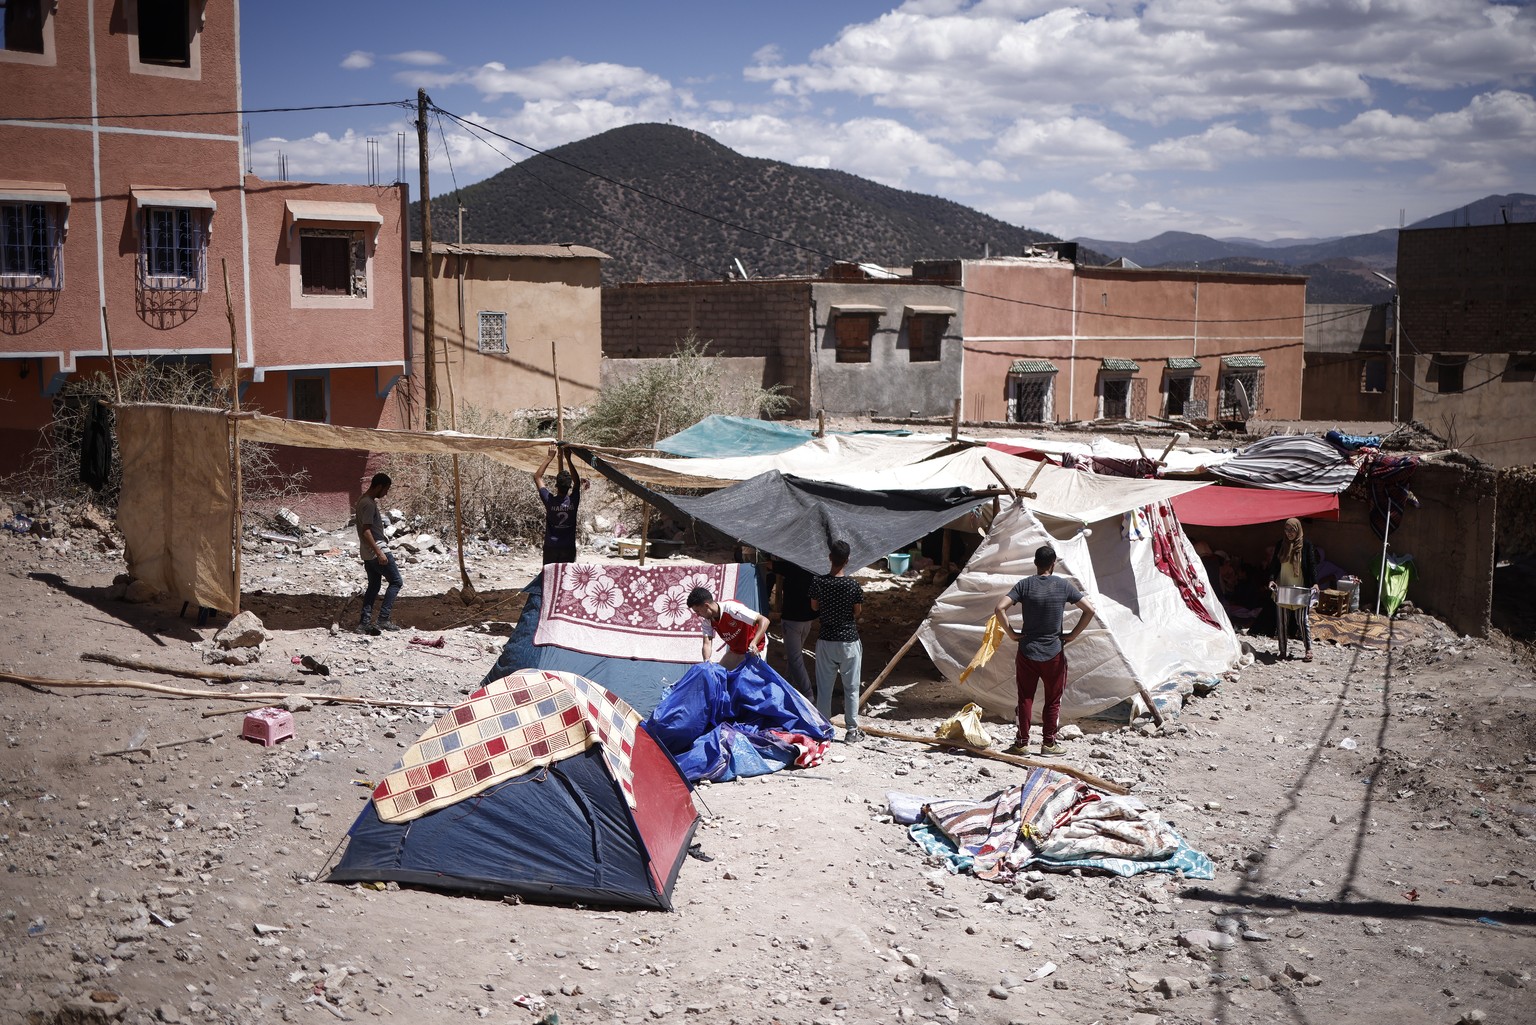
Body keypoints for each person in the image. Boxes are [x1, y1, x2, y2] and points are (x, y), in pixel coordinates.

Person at [992, 544, 1095, 756]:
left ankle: (1021, 744)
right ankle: (1049, 744)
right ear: (1053, 563)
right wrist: (1073, 635)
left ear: (1035, 563)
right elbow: (1090, 609)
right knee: (1052, 700)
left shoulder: (1024, 585)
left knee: (1025, 698)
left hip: (1027, 651)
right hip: (1054, 653)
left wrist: (1011, 633)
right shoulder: (1063, 586)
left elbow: (999, 608)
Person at [810, 540, 866, 742]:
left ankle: (824, 730)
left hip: (826, 640)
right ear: (847, 561)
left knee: (824, 688)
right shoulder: (853, 585)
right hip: (849, 641)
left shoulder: (819, 582)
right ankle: (852, 731)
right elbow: (857, 611)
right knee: (851, 688)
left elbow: (814, 607)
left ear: (829, 558)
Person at [355, 472, 403, 635]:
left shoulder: (363, 500)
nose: (386, 494)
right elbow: (366, 530)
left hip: (367, 553)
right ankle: (383, 619)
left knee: (374, 586)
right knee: (396, 582)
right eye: (386, 489)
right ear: (379, 486)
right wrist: (379, 552)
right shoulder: (368, 504)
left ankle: (364, 622)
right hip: (377, 550)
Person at [1266, 517, 1318, 661]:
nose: (1289, 533)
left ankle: (1308, 650)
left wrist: (1314, 583)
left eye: (1292, 530)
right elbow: (1275, 565)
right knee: (1281, 622)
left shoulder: (1306, 545)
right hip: (1283, 587)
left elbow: (1312, 565)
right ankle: (1282, 651)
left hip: (1300, 588)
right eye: (1286, 530)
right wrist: (1271, 579)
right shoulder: (1281, 545)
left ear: (1298, 530)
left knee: (1302, 620)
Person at [687, 585, 769, 670]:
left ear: (707, 606)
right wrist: (707, 660)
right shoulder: (707, 621)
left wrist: (754, 642)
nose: (697, 615)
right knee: (719, 675)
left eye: (697, 611)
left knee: (748, 681)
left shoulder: (732, 608)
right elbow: (707, 643)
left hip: (756, 648)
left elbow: (764, 620)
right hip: (736, 651)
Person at [770, 555, 816, 700]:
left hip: (792, 619)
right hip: (807, 619)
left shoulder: (790, 566)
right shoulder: (814, 568)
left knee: (795, 658)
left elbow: (769, 565)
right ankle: (788, 683)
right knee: (793, 656)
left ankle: (808, 694)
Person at [535, 445, 582, 565]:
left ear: (556, 486)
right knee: (565, 578)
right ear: (569, 487)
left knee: (550, 578)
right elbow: (577, 482)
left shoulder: (549, 500)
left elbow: (537, 477)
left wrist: (549, 457)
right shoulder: (573, 501)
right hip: (568, 547)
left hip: (551, 546)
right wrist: (568, 458)